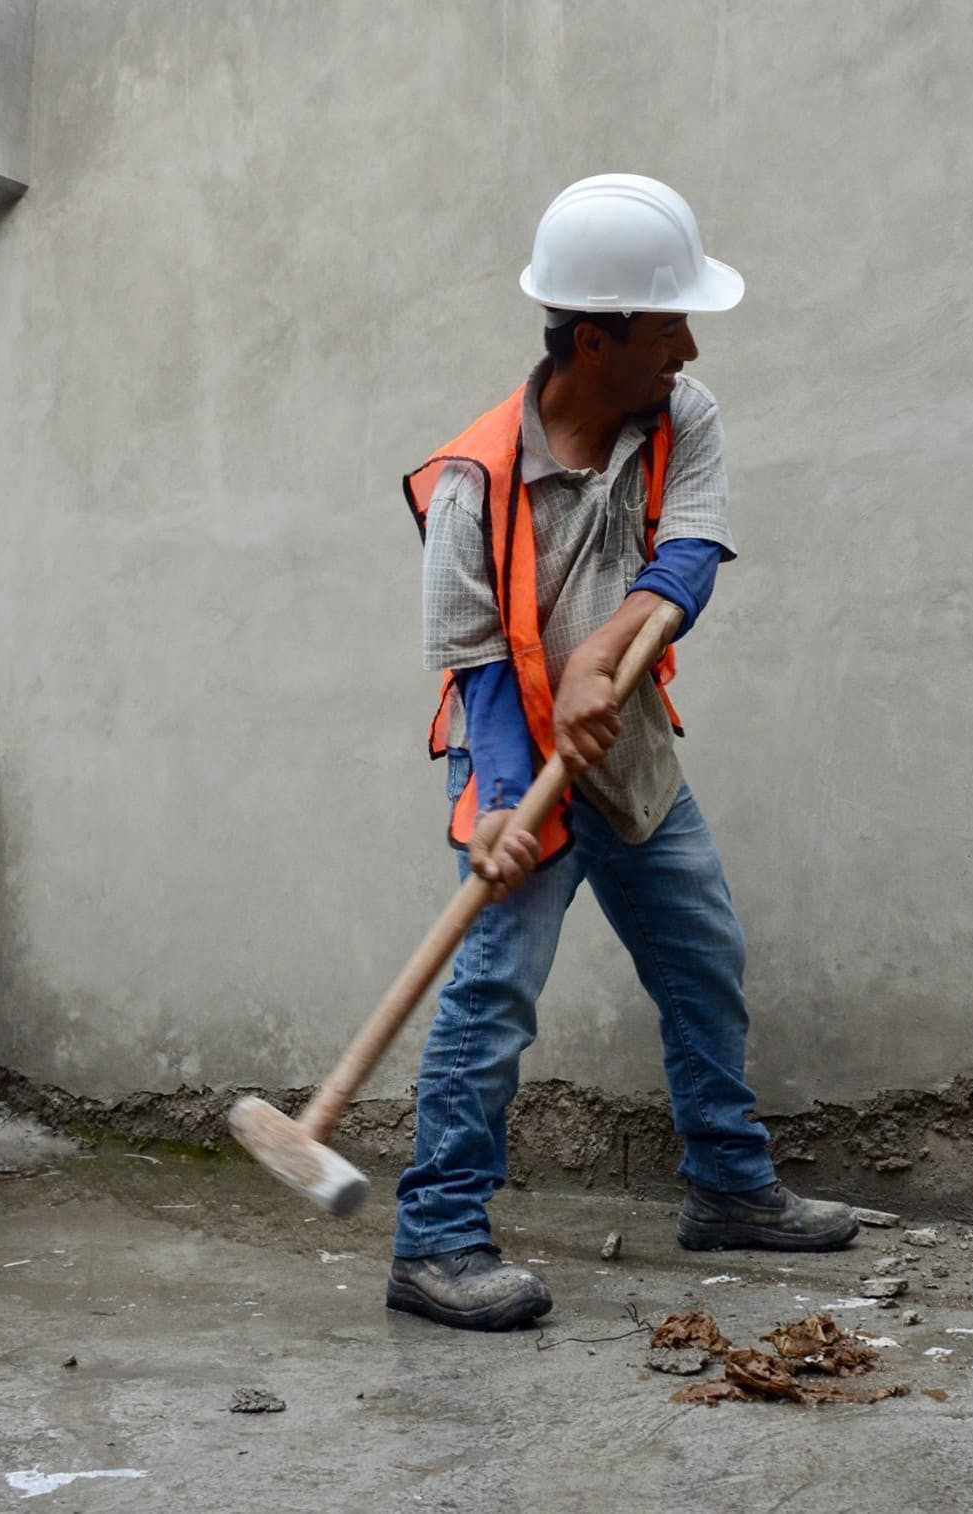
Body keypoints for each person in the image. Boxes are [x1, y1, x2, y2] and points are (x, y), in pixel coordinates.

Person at [389, 174, 858, 1331]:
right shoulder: (469, 487)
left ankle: (729, 1189)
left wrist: (604, 652)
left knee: (704, 955)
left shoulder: (681, 417)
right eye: (668, 326)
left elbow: (691, 556)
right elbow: (477, 668)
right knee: (491, 993)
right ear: (596, 339)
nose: (691, 347)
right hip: (515, 763)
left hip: (632, 753)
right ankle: (436, 1240)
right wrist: (505, 802)